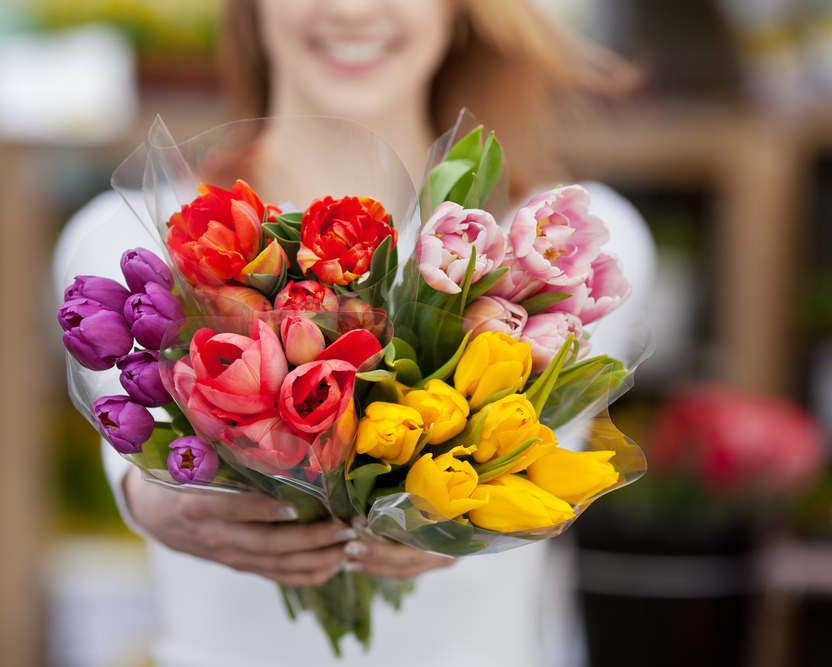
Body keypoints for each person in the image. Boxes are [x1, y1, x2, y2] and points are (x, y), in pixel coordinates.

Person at [53, 1, 656, 665]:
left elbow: (536, 471)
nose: (350, 8)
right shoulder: (126, 240)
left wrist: (438, 504)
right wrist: (148, 499)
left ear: (460, 11)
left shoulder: (566, 250)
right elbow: (130, 449)